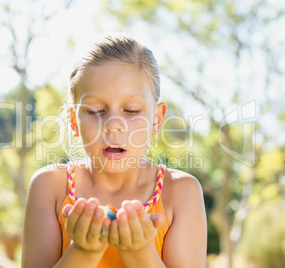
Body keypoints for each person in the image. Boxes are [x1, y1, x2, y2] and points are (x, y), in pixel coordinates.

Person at [21, 34, 207, 267]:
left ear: (157, 119)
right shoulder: (49, 187)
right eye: (96, 110)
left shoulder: (181, 192)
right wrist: (83, 251)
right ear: (73, 121)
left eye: (131, 110)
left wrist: (138, 251)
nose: (113, 124)